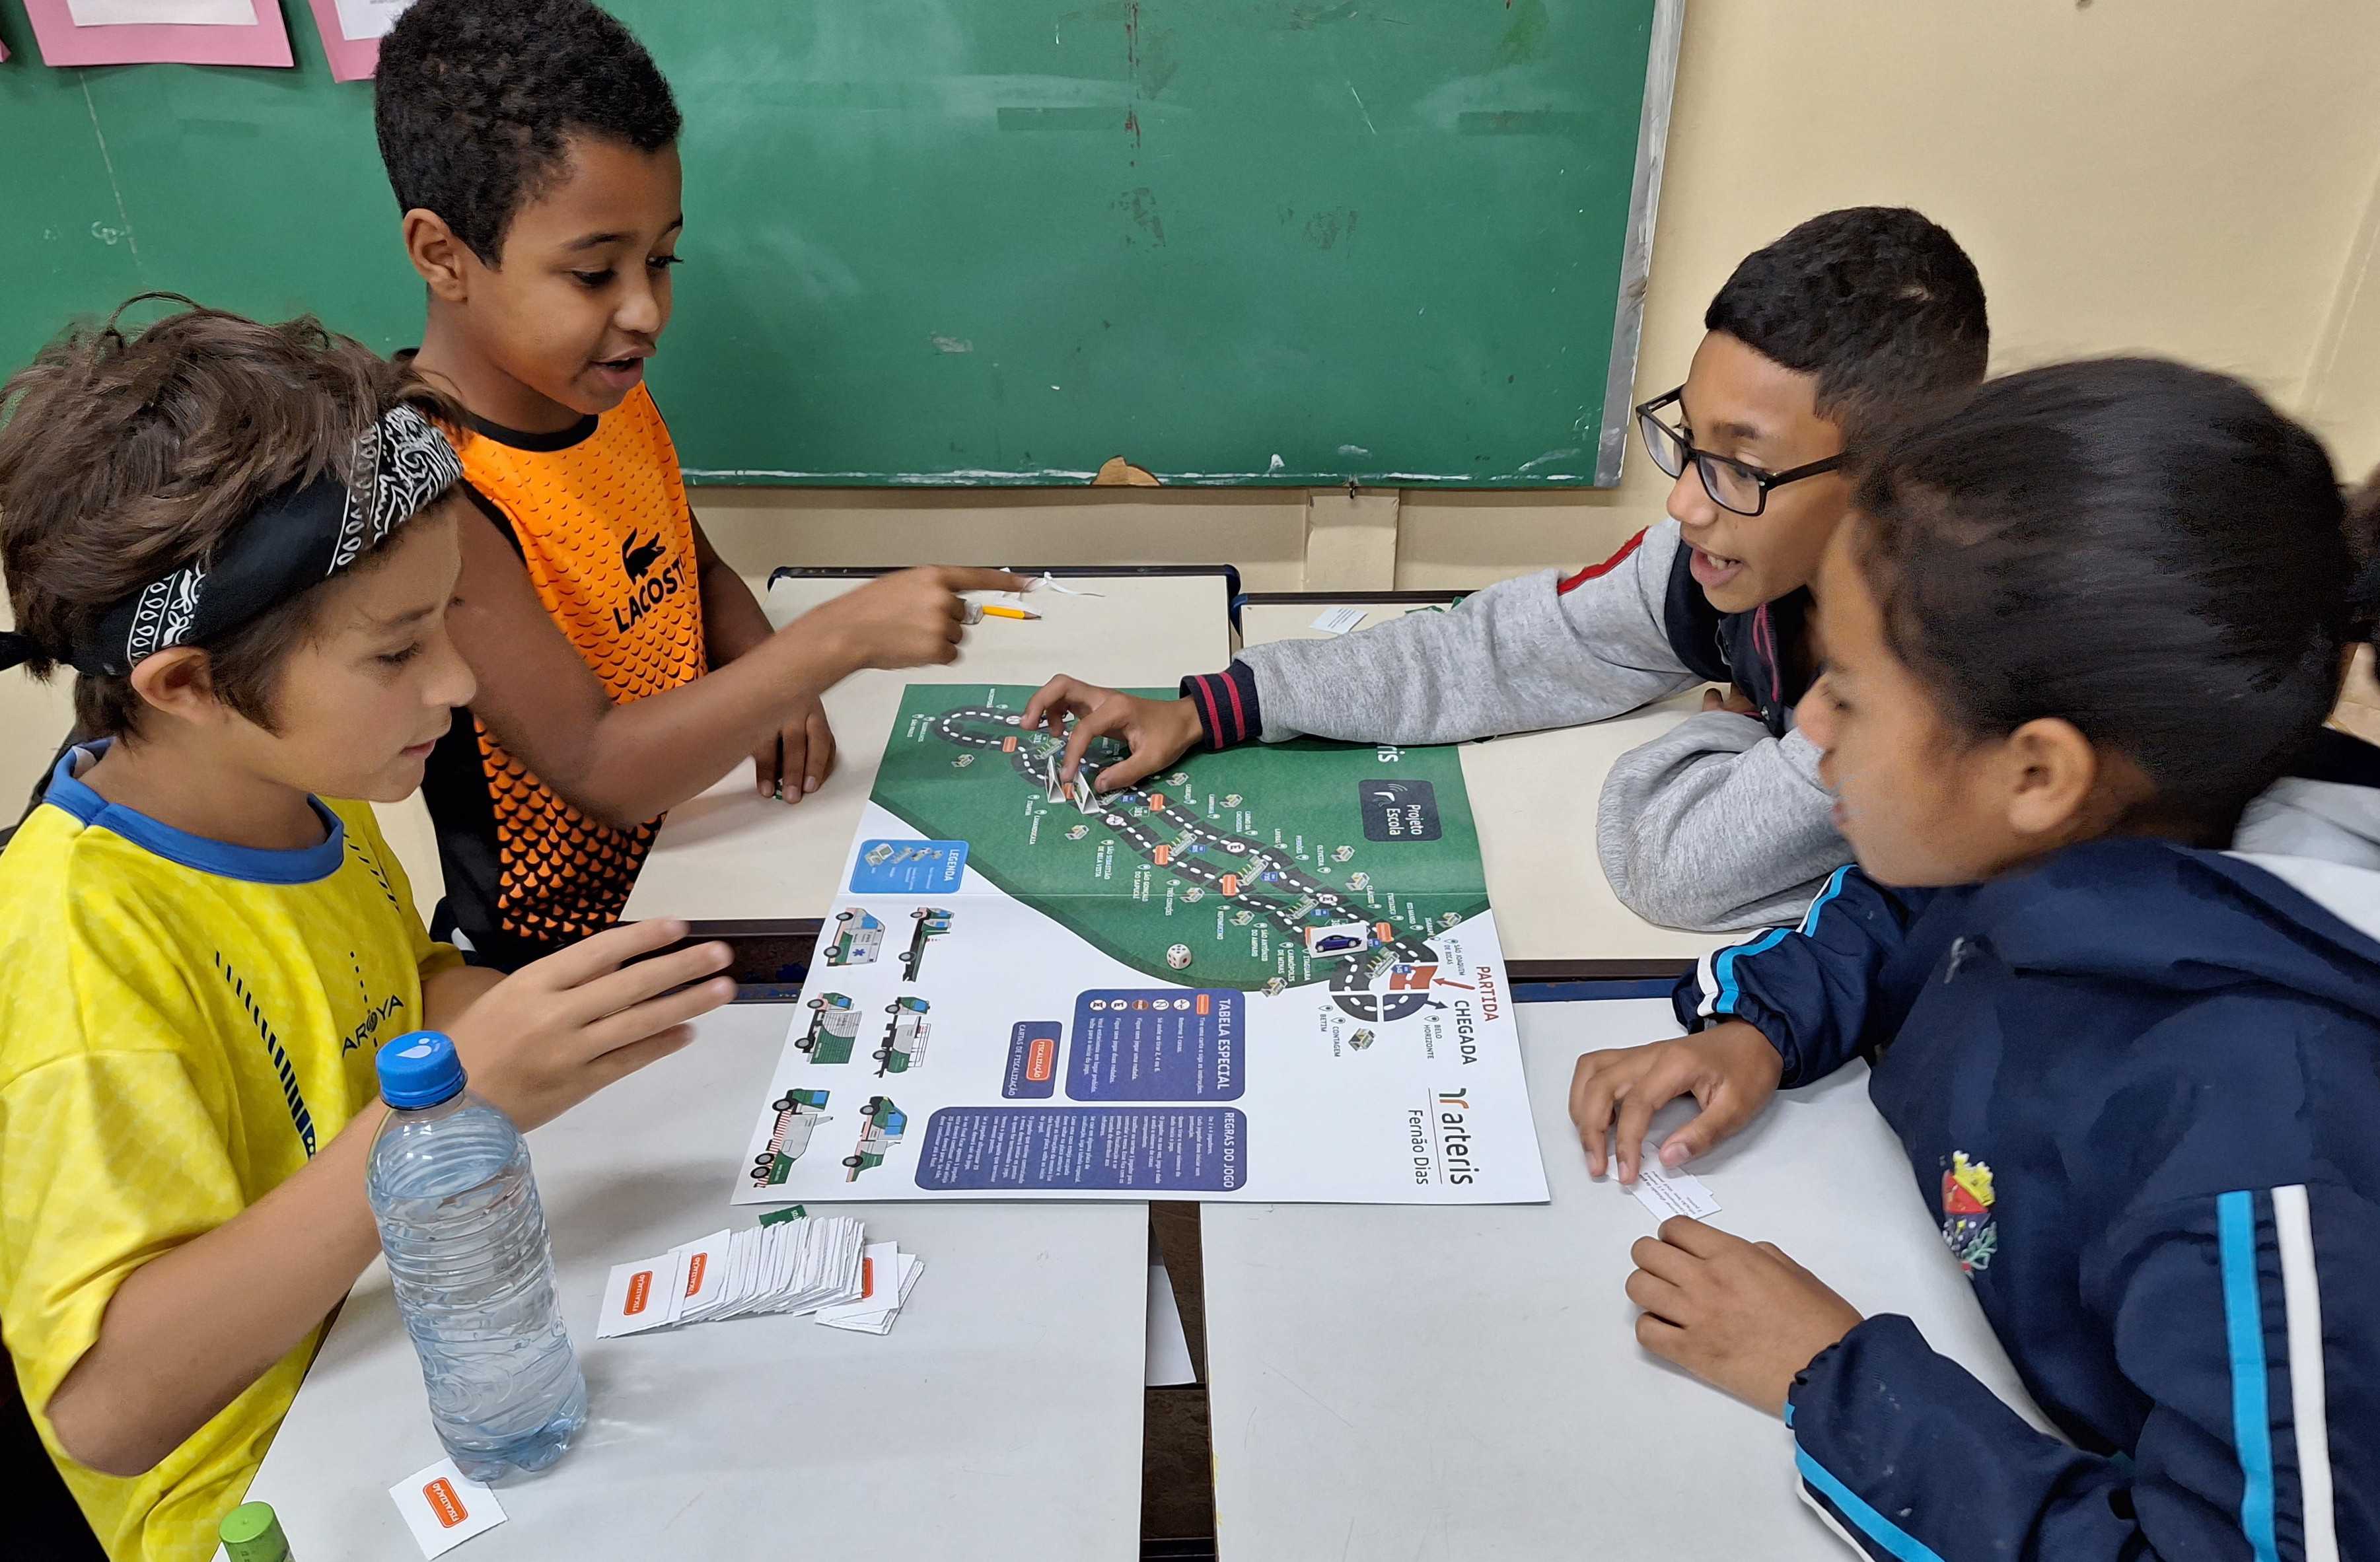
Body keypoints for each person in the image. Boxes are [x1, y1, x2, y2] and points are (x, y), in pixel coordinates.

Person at [1569, 359, 2379, 1557]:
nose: (1808, 730)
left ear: (2037, 771)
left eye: (1849, 694)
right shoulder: (2078, 823)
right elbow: (1908, 901)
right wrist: (1763, 1023)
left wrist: (1834, 1380)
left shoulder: (2270, 1149)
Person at [0, 303, 737, 1561]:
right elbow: (108, 1408)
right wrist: (442, 1111)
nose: (457, 681)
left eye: (447, 619)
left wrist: (551, 1029)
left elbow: (396, 991)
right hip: (267, 1492)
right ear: (186, 684)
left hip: (414, 1335)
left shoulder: (299, 793)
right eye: (398, 651)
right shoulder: (78, 951)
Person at [1021, 206, 1989, 931]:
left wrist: (1726, 734)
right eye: (1689, 440)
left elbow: (1677, 867)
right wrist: (1212, 708)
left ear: (1890, 481)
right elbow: (1492, 652)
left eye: (1740, 465)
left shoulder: (1922, 683)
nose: (1684, 504)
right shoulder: (1721, 561)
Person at [373, 0, 1022, 968]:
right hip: (572, 953)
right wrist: (826, 645)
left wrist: (763, 671)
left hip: (708, 851)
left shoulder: (603, 392)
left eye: (660, 259)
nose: (646, 310)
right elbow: (600, 768)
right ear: (443, 256)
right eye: (594, 274)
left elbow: (696, 570)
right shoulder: (433, 489)